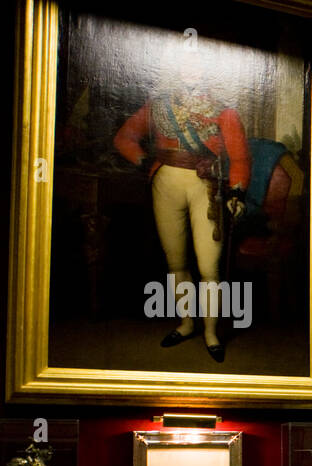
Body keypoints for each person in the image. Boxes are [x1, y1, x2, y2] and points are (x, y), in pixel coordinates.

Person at [114, 45, 251, 363]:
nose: (191, 70)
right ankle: (187, 323)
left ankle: (211, 332)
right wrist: (143, 159)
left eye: (198, 65)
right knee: (176, 263)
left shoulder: (224, 110)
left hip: (206, 187)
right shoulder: (158, 106)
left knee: (208, 267)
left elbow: (241, 158)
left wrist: (237, 192)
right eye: (186, 65)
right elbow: (124, 138)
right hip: (165, 186)